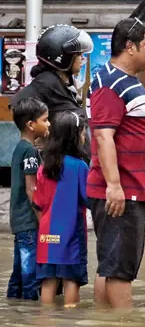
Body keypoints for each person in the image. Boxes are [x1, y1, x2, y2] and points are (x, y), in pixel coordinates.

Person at [88, 18, 145, 310]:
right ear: (130, 47)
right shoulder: (110, 83)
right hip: (123, 192)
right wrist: (114, 186)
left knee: (111, 264)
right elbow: (103, 136)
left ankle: (104, 326)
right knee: (119, 270)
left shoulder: (124, 81)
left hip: (132, 190)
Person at [33, 112, 91, 307]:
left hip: (46, 236)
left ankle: (45, 320)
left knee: (48, 282)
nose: (84, 137)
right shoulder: (80, 167)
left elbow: (38, 202)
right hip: (71, 236)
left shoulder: (44, 168)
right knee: (71, 281)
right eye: (82, 133)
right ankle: (70, 320)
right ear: (74, 137)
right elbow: (88, 199)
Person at [8, 97, 50, 301]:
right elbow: (31, 189)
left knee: (18, 273)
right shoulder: (30, 151)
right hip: (29, 222)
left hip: (19, 221)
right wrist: (43, 219)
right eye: (45, 120)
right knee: (30, 274)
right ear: (31, 125)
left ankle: (14, 306)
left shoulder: (20, 148)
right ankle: (30, 310)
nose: (49, 124)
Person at [13, 25, 92, 129]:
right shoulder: (47, 83)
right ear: (63, 58)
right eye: (79, 54)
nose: (82, 58)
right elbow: (18, 103)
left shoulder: (63, 82)